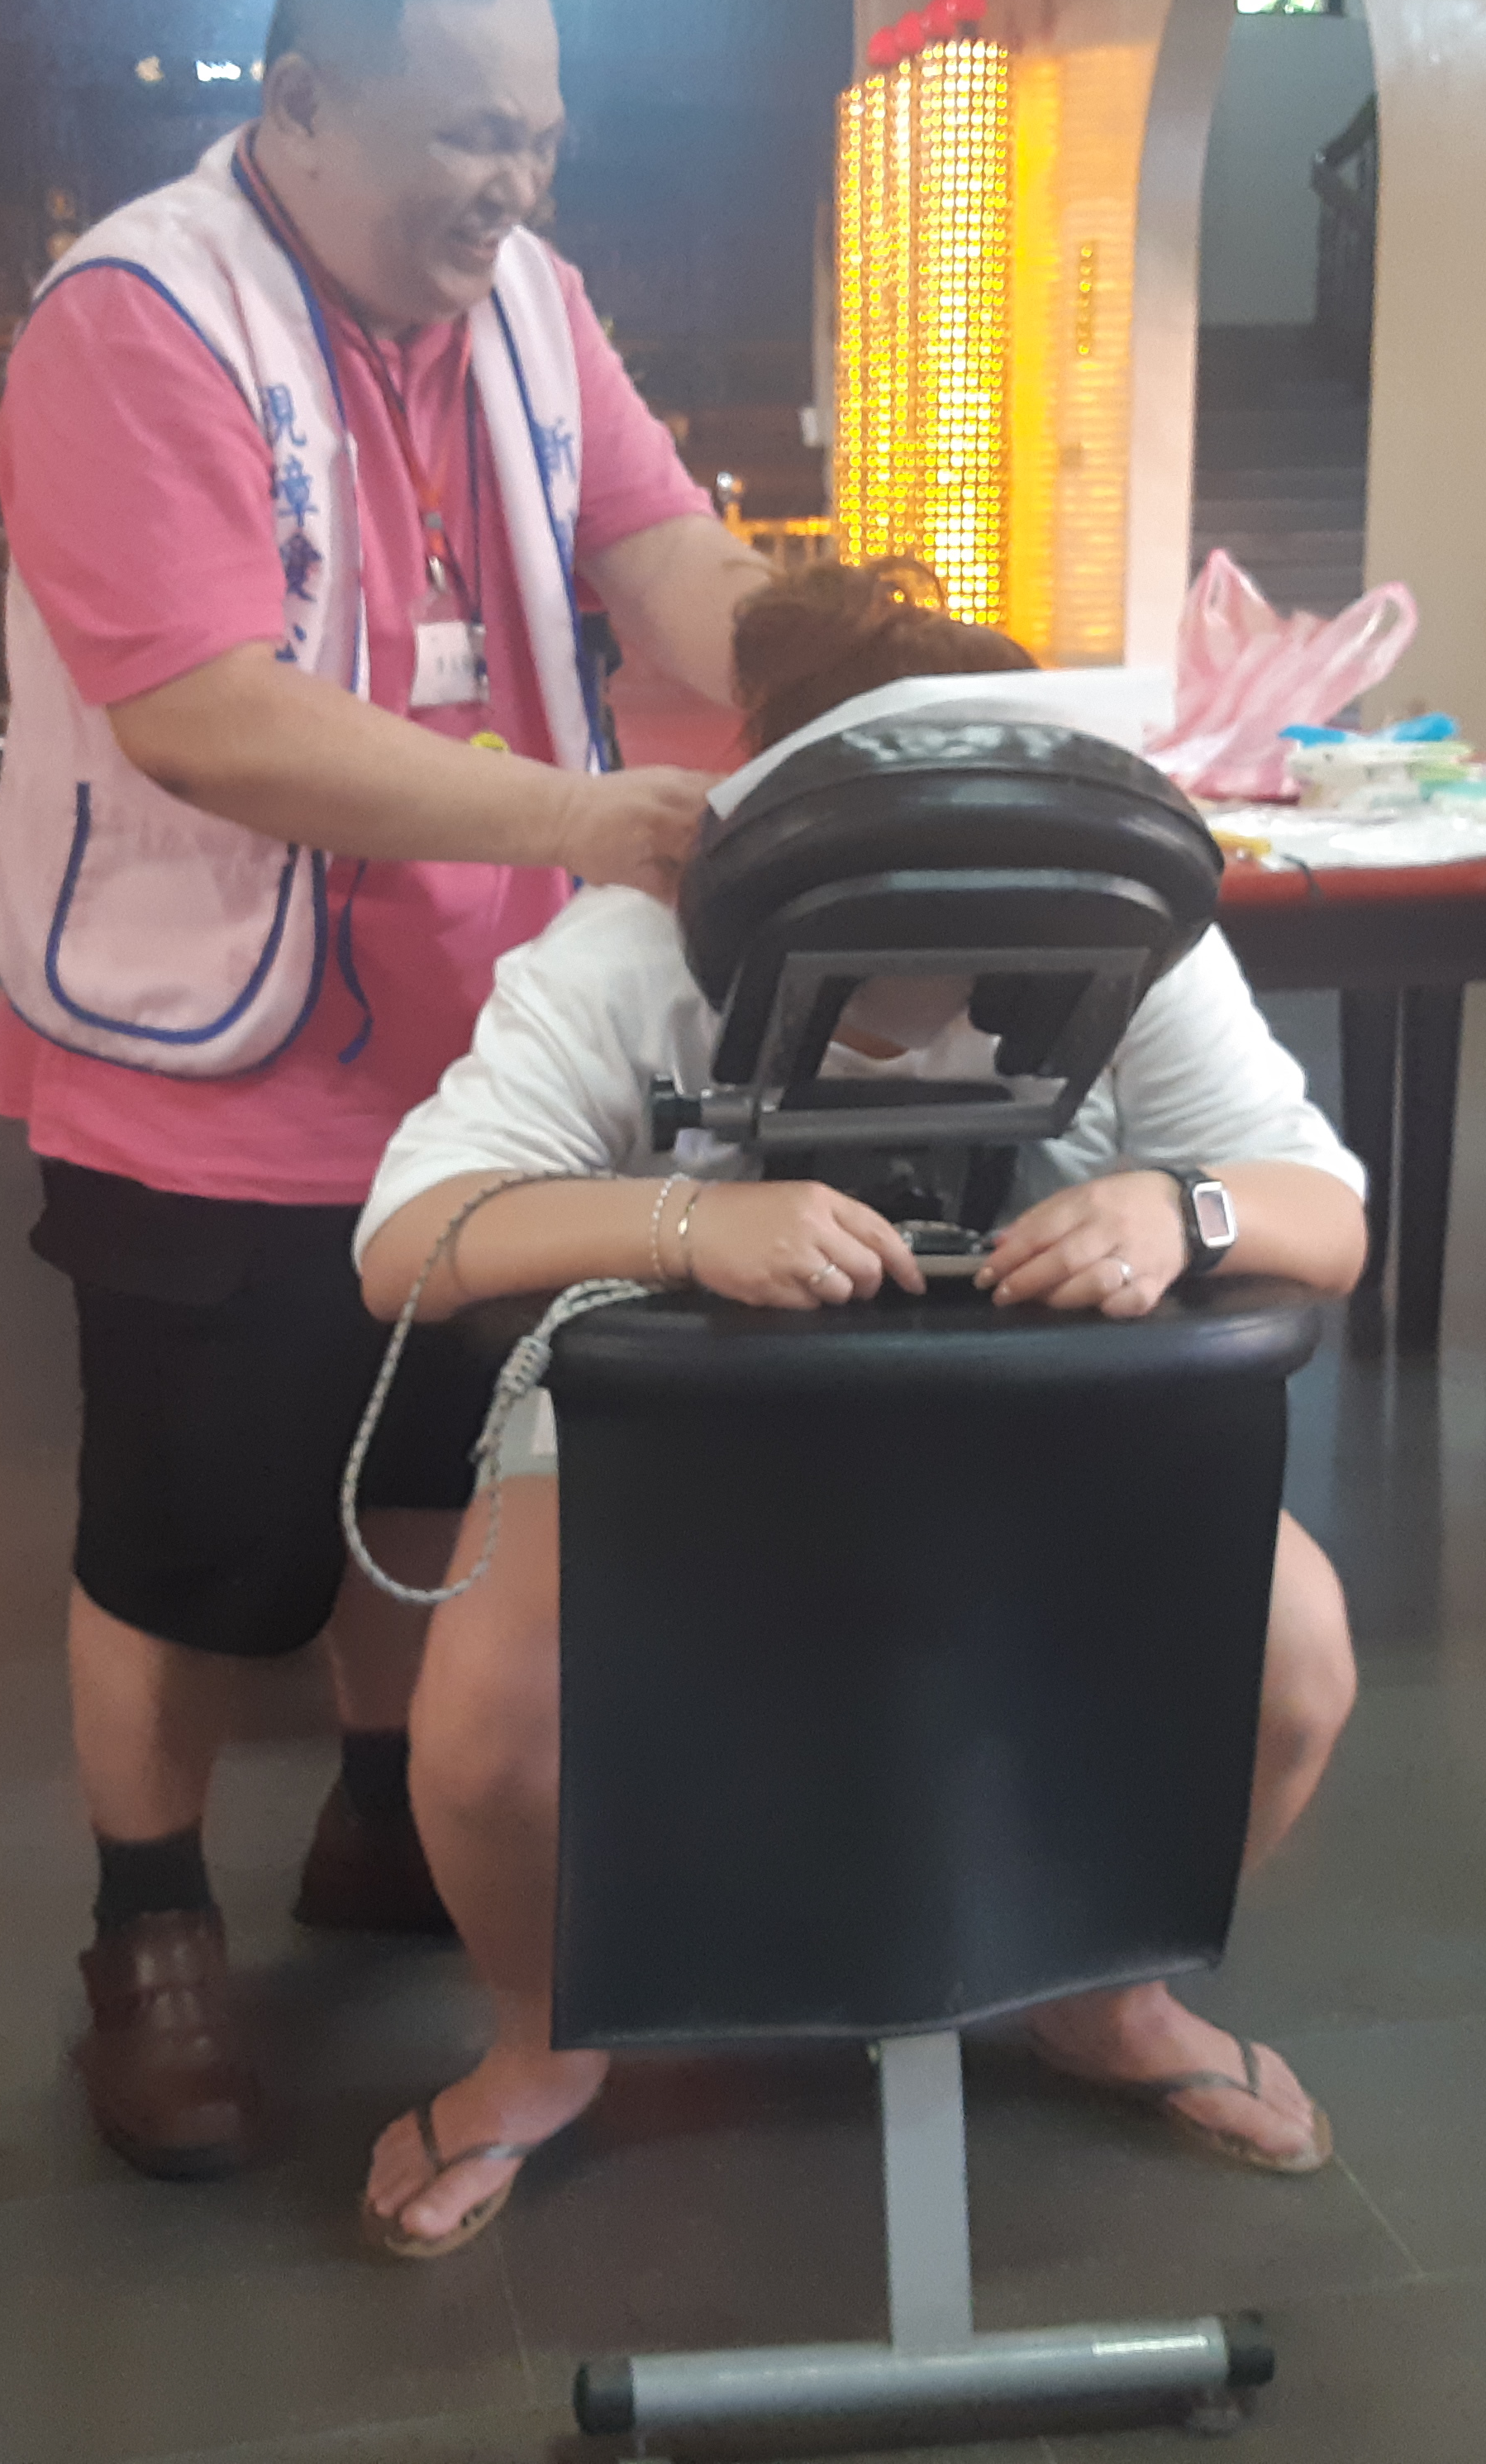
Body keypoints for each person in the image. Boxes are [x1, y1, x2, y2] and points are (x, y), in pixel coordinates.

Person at [0, 0, 769, 2185]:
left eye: (538, 137)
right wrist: (592, 817)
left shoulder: (527, 300)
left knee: (435, 1444)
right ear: (301, 103)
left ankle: (378, 1811)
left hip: (477, 1046)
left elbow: (663, 557)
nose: (509, 183)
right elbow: (208, 715)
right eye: (464, 134)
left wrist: (865, 683)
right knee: (187, 1535)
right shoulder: (135, 319)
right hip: (208, 1058)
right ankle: (147, 1927)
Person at [342, 560, 1368, 2259]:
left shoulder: (1126, 950)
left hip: (1022, 1433)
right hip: (664, 1453)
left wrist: (1179, 1209)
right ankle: (545, 2039)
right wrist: (684, 1227)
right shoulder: (626, 957)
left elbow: (1321, 1213)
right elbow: (407, 1240)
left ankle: (1104, 1991)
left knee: (1296, 1651)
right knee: (492, 1716)